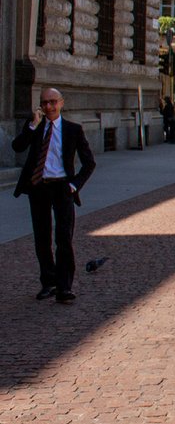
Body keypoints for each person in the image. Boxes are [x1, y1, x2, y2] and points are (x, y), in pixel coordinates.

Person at [11, 88, 96, 303]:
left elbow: (89, 162)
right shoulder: (36, 127)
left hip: (62, 188)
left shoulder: (72, 130)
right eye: (44, 103)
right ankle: (49, 282)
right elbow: (17, 146)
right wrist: (32, 125)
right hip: (39, 186)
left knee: (64, 238)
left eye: (52, 102)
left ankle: (64, 287)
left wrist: (74, 185)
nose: (48, 107)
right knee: (42, 238)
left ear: (61, 103)